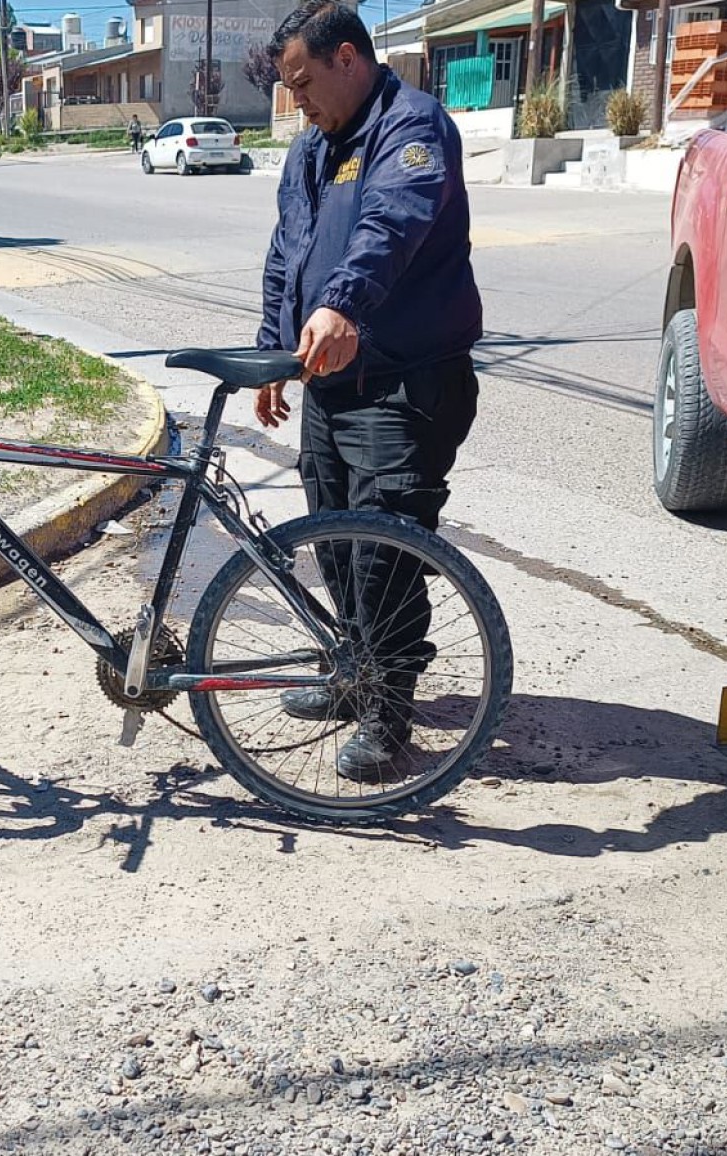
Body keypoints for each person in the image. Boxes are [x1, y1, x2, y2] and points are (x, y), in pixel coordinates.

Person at [251, 0, 482, 781]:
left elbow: (392, 225)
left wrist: (342, 303)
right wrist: (273, 353)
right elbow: (288, 250)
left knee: (386, 552)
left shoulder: (411, 128)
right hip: (330, 384)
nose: (298, 99)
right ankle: (354, 677)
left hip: (406, 382)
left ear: (348, 57)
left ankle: (390, 713)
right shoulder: (312, 148)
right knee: (338, 545)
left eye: (304, 80)